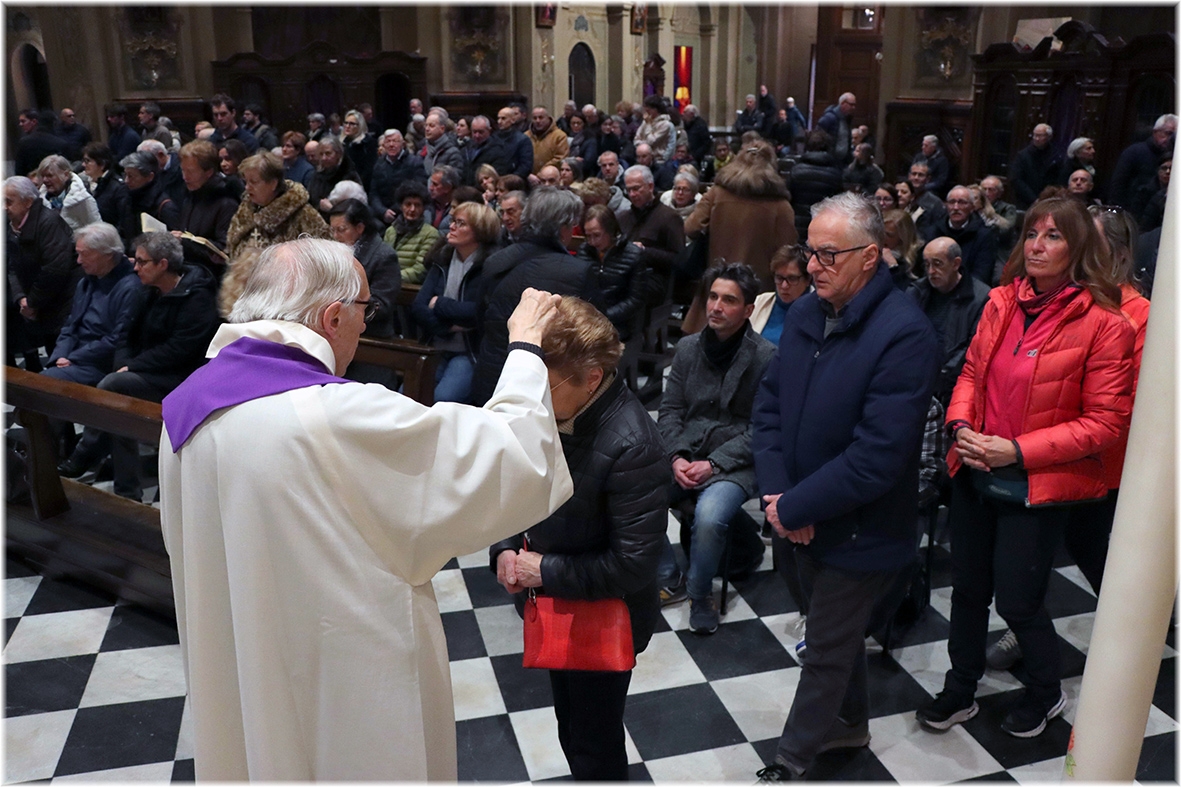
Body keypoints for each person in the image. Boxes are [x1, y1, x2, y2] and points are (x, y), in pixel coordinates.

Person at [159, 238, 574, 781]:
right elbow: (510, 455)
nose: (364, 324)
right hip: (341, 682)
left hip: (240, 654)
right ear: (332, 317)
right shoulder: (332, 416)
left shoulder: (186, 406)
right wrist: (525, 348)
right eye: (364, 309)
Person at [915, 196, 1134, 740]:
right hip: (975, 467)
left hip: (1037, 480)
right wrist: (961, 426)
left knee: (1018, 599)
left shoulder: (1107, 324)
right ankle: (960, 688)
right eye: (1032, 234)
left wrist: (1015, 450)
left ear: (1078, 247)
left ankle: (1044, 691)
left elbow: (1105, 423)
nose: (1036, 246)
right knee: (967, 590)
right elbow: (971, 373)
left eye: (1053, 236)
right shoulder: (1001, 301)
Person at [752, 193, 938, 780]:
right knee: (836, 635)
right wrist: (779, 498)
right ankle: (851, 724)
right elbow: (769, 408)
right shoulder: (808, 312)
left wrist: (796, 505)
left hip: (861, 529)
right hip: (794, 514)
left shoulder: (905, 334)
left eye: (828, 254)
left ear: (870, 257)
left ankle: (792, 760)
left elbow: (877, 456)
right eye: (811, 251)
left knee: (826, 648)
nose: (812, 266)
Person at [490, 296, 665, 781]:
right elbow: (518, 484)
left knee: (594, 742)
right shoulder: (558, 413)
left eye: (545, 385)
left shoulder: (633, 445)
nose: (534, 398)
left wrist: (543, 570)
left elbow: (633, 565)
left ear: (592, 377)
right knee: (571, 728)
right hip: (560, 600)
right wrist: (505, 547)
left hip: (605, 614)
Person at [657, 263, 775, 633]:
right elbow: (670, 410)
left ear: (748, 309)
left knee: (709, 516)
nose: (716, 307)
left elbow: (762, 430)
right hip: (687, 451)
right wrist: (676, 455)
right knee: (634, 492)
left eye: (729, 300)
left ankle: (699, 594)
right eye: (712, 297)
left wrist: (713, 463)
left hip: (735, 461)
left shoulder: (766, 357)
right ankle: (668, 576)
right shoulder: (688, 348)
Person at [57, 231, 219, 497]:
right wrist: (124, 363)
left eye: (142, 262)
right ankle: (126, 490)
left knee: (115, 387)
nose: (135, 267)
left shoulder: (198, 297)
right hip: (145, 371)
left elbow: (180, 350)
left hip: (182, 378)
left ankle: (86, 453)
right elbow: (125, 335)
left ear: (163, 264)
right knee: (119, 402)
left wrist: (132, 367)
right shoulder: (148, 290)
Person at [472, 187, 596, 406]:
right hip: (544, 383)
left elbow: (480, 319)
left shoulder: (495, 260)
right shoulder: (579, 272)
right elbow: (592, 336)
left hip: (492, 374)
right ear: (564, 228)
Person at [411, 201, 501, 402]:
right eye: (453, 221)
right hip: (434, 345)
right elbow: (418, 306)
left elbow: (480, 312)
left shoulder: (491, 266)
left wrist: (439, 304)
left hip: (469, 352)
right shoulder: (442, 258)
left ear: (480, 230)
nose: (451, 226)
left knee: (443, 399)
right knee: (407, 395)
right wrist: (448, 327)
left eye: (460, 223)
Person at [40, 222, 141, 387]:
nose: (79, 261)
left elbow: (117, 339)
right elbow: (70, 325)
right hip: (75, 357)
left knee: (42, 384)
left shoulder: (130, 288)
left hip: (100, 363)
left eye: (84, 254)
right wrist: (60, 356)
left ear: (107, 254)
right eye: (78, 254)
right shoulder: (86, 282)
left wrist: (72, 357)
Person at [907, 236, 990, 406]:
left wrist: (940, 377)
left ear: (956, 263)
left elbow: (972, 348)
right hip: (913, 375)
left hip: (951, 385)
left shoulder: (980, 298)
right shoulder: (916, 292)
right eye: (927, 265)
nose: (931, 271)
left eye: (938, 264)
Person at [225, 151, 329, 260]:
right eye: (246, 182)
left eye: (253, 182)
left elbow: (325, 255)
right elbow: (233, 244)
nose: (247, 187)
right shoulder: (245, 208)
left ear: (273, 184)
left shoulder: (304, 214)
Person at [327, 198, 400, 339]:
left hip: (371, 333)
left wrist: (338, 305)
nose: (335, 236)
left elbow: (381, 306)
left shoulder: (384, 256)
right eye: (332, 230)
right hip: (335, 327)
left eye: (341, 230)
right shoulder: (334, 253)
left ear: (360, 228)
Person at [576, 203, 648, 341]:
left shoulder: (633, 255)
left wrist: (605, 316)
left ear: (610, 231)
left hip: (618, 321)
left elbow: (636, 299)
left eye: (597, 235)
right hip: (587, 318)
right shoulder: (584, 251)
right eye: (588, 236)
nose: (592, 242)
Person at [618, 164, 686, 306]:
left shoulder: (669, 217)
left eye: (636, 188)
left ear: (650, 186)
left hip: (654, 279)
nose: (632, 194)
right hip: (624, 273)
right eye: (628, 190)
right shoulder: (623, 217)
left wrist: (645, 251)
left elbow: (679, 260)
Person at [176, 139, 239, 274]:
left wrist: (185, 242)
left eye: (190, 171)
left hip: (210, 275)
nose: (185, 177)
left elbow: (223, 250)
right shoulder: (191, 195)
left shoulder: (227, 203)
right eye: (183, 170)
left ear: (208, 172)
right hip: (189, 269)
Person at [1109, 113, 1176, 214]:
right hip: (1133, 209)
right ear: (1155, 132)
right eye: (1168, 133)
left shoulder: (1174, 156)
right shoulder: (1134, 152)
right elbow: (1118, 184)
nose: (1171, 138)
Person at [933, 185, 999, 284]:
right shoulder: (934, 230)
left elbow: (982, 274)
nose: (956, 207)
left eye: (962, 202)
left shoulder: (984, 235)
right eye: (952, 202)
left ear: (972, 207)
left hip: (969, 288)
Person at [750, 244, 811, 346]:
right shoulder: (759, 302)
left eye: (792, 279)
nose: (784, 286)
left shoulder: (820, 309)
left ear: (808, 280)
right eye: (779, 278)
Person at [787, 130, 842, 242]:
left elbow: (788, 198)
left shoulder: (796, 170)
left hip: (798, 224)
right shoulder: (835, 174)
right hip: (823, 224)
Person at [383, 180, 439, 285]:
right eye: (408, 204)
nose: (412, 209)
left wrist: (391, 277)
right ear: (401, 206)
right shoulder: (391, 231)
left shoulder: (430, 234)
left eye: (417, 205)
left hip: (410, 288)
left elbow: (420, 270)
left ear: (423, 208)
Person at [370, 129, 426, 224]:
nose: (391, 145)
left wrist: (394, 211)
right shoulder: (379, 164)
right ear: (384, 145)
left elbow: (418, 191)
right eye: (388, 141)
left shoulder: (415, 163)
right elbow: (373, 193)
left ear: (403, 144)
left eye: (395, 141)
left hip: (406, 213)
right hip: (382, 214)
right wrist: (382, 211)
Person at [120, 151, 181, 236]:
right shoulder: (127, 198)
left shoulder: (164, 207)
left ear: (150, 177)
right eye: (125, 175)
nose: (126, 181)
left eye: (131, 176)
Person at [82, 143, 132, 241]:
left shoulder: (118, 188)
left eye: (88, 161)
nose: (83, 165)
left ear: (102, 164)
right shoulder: (85, 183)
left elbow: (124, 224)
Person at [39, 154, 101, 232]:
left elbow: (98, 231)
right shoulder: (40, 200)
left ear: (66, 175)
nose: (44, 180)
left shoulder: (82, 199)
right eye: (43, 176)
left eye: (49, 176)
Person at [1009, 123, 1062, 210]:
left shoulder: (1056, 155)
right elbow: (1016, 179)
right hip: (1025, 201)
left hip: (1047, 201)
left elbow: (1058, 180)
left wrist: (1047, 197)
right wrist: (1033, 199)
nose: (1036, 138)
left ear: (1049, 137)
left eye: (1040, 136)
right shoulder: (1023, 155)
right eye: (1035, 135)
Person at [16, 110, 68, 177]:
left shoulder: (24, 142)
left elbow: (19, 171)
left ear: (34, 122)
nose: (20, 124)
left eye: (23, 121)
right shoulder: (61, 143)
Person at [527, 106, 570, 175]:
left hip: (551, 176)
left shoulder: (559, 136)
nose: (538, 121)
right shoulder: (526, 136)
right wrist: (528, 174)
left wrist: (543, 173)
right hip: (529, 177)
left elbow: (561, 158)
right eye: (535, 118)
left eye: (541, 117)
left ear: (548, 118)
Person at [817, 92, 856, 165]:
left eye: (854, 105)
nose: (853, 107)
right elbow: (818, 139)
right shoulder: (828, 118)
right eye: (851, 105)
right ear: (843, 103)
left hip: (843, 162)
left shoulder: (848, 119)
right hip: (829, 161)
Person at [495, 105, 534, 178]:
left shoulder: (523, 139)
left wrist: (511, 178)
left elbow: (526, 165)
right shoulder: (493, 138)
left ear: (513, 120)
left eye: (503, 118)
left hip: (514, 180)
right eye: (498, 118)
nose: (499, 122)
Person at [635, 95, 674, 166]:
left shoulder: (665, 124)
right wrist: (643, 145)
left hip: (658, 161)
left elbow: (651, 141)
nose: (647, 113)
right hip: (642, 159)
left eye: (649, 110)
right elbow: (636, 139)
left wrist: (648, 125)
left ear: (656, 109)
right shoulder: (645, 122)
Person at [914, 135, 950, 199]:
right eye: (923, 145)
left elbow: (940, 181)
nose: (923, 147)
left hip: (932, 190)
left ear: (933, 147)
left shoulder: (942, 160)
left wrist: (924, 187)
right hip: (916, 186)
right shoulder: (919, 157)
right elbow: (911, 172)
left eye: (926, 145)